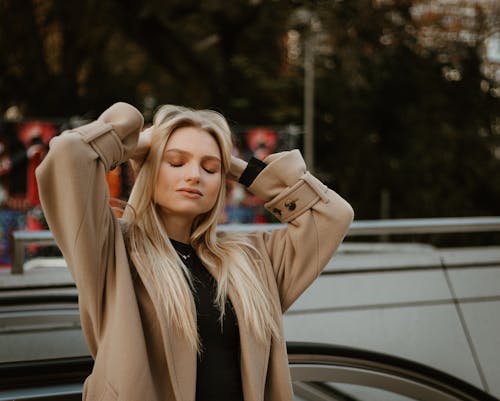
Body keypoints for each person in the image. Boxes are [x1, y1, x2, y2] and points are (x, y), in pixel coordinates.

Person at [36, 102, 354, 401]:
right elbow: (68, 155)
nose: (194, 175)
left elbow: (332, 216)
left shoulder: (251, 259)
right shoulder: (111, 249)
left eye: (211, 168)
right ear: (150, 166)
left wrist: (245, 171)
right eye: (175, 162)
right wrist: (137, 143)